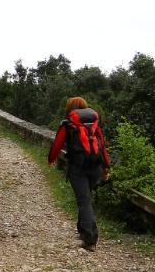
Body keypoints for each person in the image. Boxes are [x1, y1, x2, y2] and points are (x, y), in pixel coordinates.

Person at [47, 97, 110, 252]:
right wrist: (106, 167)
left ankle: (90, 239)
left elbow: (57, 144)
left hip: (78, 168)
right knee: (85, 197)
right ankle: (83, 231)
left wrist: (51, 159)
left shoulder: (68, 124)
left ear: (70, 109)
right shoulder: (94, 123)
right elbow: (103, 147)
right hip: (96, 167)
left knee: (84, 200)